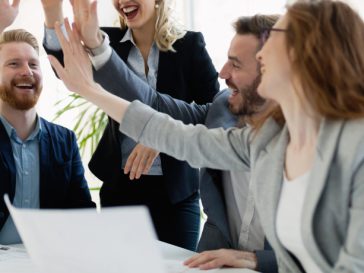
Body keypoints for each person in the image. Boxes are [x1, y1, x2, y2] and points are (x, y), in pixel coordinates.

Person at [49, 0, 364, 272]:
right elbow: (170, 129)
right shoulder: (263, 140)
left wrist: (260, 260)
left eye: (240, 62)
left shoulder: (355, 148)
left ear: (308, 60)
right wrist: (89, 88)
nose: (222, 72)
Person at [69, 6, 278, 271]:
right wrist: (94, 64)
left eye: (235, 64)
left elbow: (332, 254)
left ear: (275, 70)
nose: (223, 73)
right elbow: (153, 104)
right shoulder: (222, 109)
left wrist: (258, 260)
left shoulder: (320, 143)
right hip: (215, 261)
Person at [41, 0, 219, 251]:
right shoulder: (105, 42)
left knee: (179, 266)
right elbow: (64, 64)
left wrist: (160, 136)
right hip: (121, 186)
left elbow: (214, 112)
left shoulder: (190, 45)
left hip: (176, 192)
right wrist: (52, 11)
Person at [0, 0, 95, 245]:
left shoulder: (64, 140)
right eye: (13, 64)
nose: (27, 71)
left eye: (33, 64)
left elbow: (83, 214)